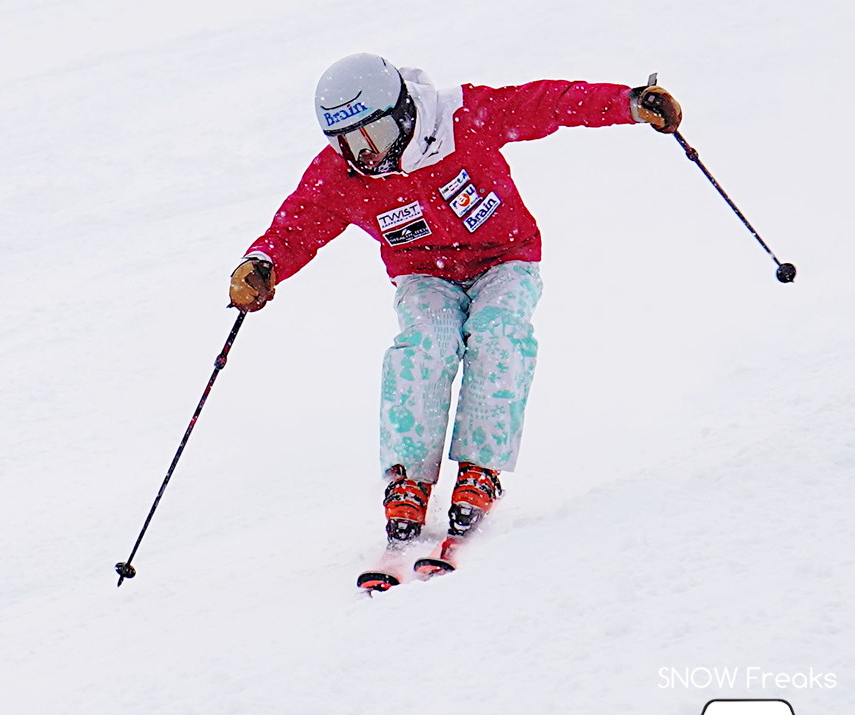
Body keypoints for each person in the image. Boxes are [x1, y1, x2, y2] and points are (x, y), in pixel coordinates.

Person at [229, 54, 680, 561]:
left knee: (498, 334)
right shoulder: (344, 174)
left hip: (504, 258)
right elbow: (299, 222)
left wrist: (629, 103)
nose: (367, 153)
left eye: (373, 133)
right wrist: (262, 264)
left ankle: (480, 469)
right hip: (424, 275)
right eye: (350, 142)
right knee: (425, 346)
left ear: (401, 112)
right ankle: (408, 480)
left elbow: (546, 102)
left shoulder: (460, 118)